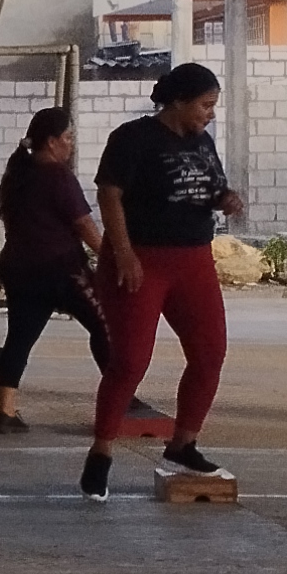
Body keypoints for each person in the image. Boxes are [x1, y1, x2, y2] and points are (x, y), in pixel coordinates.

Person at [85, 65, 242, 500]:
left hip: (193, 259)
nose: (210, 114)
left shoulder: (203, 142)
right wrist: (124, 254)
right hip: (141, 259)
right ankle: (101, 452)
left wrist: (226, 199)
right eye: (205, 105)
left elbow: (211, 188)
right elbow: (109, 195)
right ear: (178, 102)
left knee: (210, 353)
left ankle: (183, 443)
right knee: (130, 361)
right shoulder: (133, 138)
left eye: (213, 106)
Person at [0, 106, 111, 436]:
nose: (71, 144)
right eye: (68, 137)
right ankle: (121, 397)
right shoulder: (58, 176)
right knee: (106, 325)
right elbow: (84, 224)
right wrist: (113, 256)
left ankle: (6, 411)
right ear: (52, 142)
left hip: (19, 270)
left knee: (18, 339)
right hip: (61, 269)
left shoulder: (18, 175)